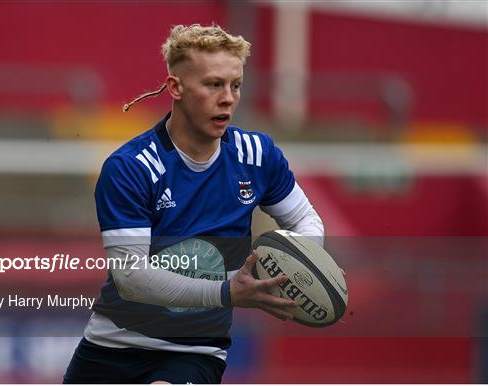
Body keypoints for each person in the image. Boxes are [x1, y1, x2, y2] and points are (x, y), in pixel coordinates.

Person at [63, 23, 324, 384]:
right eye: (214, 84)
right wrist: (227, 291)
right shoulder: (131, 167)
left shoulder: (257, 155)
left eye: (236, 86)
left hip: (194, 352)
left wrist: (301, 264)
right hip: (111, 347)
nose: (228, 98)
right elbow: (131, 278)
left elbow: (307, 221)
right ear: (176, 87)